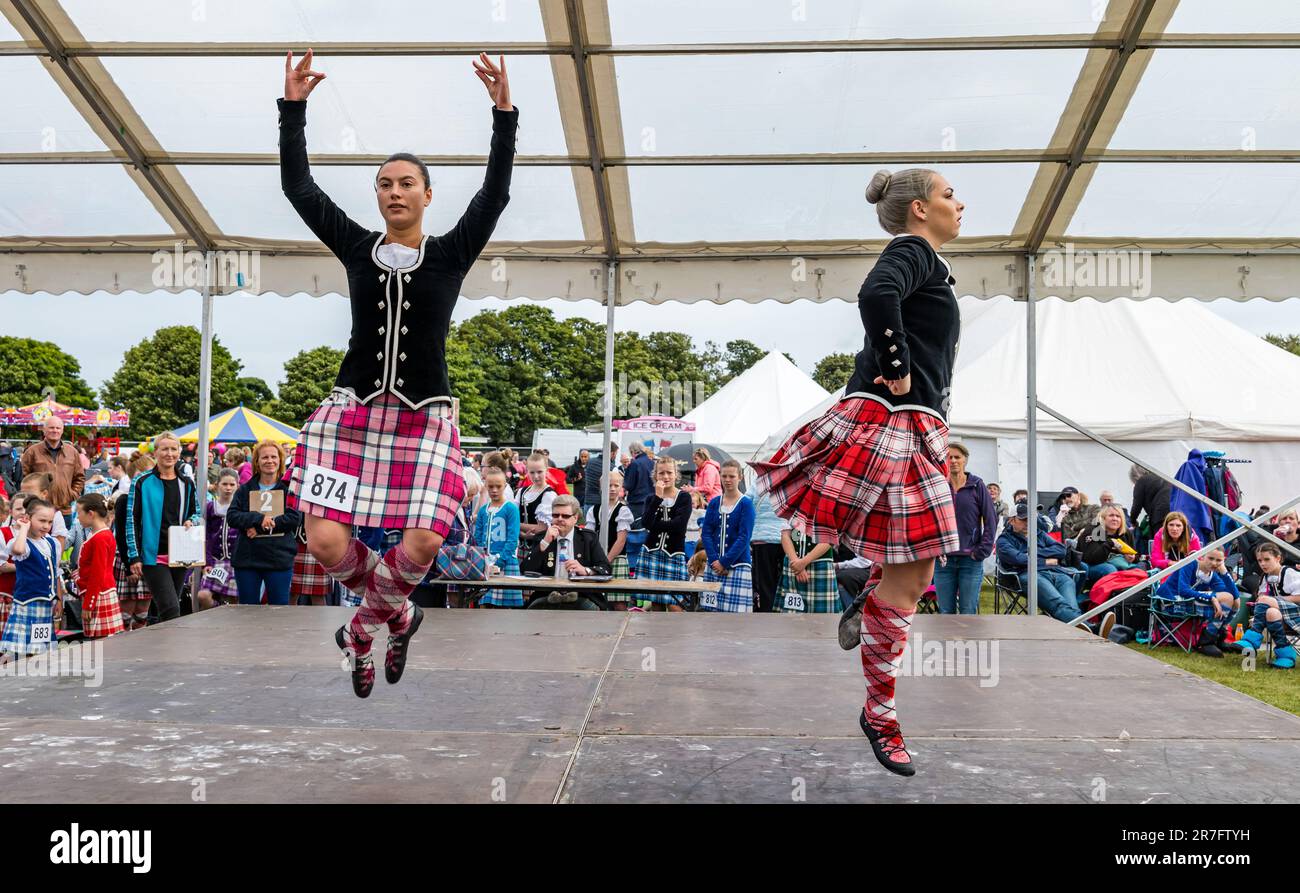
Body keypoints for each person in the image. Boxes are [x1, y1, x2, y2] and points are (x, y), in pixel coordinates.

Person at [278, 49, 517, 698]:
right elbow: (300, 189)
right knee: (325, 540)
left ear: (427, 194)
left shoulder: (450, 253)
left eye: (406, 182)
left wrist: (503, 115)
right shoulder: (357, 247)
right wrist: (293, 109)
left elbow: (495, 194)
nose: (394, 190)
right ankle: (398, 613)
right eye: (384, 182)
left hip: (423, 414)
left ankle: (360, 631)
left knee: (422, 543)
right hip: (352, 410)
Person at [751, 167, 965, 776]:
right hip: (894, 419)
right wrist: (896, 364)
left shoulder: (926, 261)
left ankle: (864, 583)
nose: (960, 203)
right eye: (949, 195)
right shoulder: (911, 250)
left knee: (914, 569)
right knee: (918, 567)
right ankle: (880, 708)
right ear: (920, 209)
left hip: (912, 423)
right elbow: (876, 296)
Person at [125, 433, 201, 623]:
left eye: (173, 449)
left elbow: (197, 512)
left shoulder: (186, 482)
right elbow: (131, 519)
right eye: (164, 449)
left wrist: (192, 520)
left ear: (179, 452)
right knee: (171, 609)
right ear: (156, 452)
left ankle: (162, 650)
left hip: (179, 555)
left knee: (168, 610)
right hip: (152, 557)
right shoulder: (142, 482)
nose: (169, 453)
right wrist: (134, 555)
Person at [227, 441, 301, 606]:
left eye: (274, 457)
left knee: (278, 610)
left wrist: (260, 527)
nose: (270, 461)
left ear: (281, 460)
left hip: (279, 558)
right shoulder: (244, 489)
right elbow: (232, 516)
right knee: (248, 610)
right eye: (265, 457)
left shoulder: (289, 489)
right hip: (248, 559)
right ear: (257, 462)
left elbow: (294, 518)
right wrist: (258, 518)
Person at [996, 502, 1086, 625]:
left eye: (1031, 519)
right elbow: (1019, 559)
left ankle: (1083, 629)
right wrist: (1045, 560)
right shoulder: (1004, 540)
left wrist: (1033, 554)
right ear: (1012, 520)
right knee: (1058, 603)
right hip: (1027, 575)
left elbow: (1061, 550)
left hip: (1057, 572)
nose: (1028, 522)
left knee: (1071, 606)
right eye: (1023, 519)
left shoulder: (1039, 533)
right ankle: (1092, 629)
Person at [933, 441, 996, 614]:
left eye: (957, 457)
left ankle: (969, 642)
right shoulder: (938, 486)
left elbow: (991, 520)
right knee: (945, 611)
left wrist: (982, 551)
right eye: (948, 457)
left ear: (965, 461)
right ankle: (947, 642)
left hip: (971, 559)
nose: (952, 460)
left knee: (968, 612)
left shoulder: (977, 486)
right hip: (943, 560)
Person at [1, 496, 63, 660]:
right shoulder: (23, 542)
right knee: (17, 651)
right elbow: (19, 550)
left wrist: (58, 598)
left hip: (46, 603)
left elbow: (54, 572)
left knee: (39, 651)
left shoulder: (50, 542)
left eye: (50, 522)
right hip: (27, 603)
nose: (46, 526)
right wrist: (23, 528)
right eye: (42, 520)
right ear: (27, 518)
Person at [521, 494, 610, 610]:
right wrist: (545, 543)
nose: (560, 519)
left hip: (582, 595)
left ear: (575, 518)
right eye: (556, 515)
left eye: (565, 516)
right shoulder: (542, 538)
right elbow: (525, 569)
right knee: (531, 613)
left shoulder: (588, 538)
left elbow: (606, 568)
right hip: (546, 595)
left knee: (592, 612)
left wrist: (586, 570)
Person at [1155, 546, 1240, 658]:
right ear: (1203, 556)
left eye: (1218, 560)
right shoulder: (1190, 563)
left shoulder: (1212, 575)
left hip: (1186, 602)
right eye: (1210, 558)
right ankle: (1206, 642)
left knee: (1235, 601)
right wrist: (1211, 597)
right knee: (1227, 599)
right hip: (1170, 603)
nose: (1214, 563)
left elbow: (1235, 595)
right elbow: (1183, 591)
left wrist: (1224, 571)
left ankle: (1219, 637)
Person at [699, 460, 755, 613]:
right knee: (710, 611)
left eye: (732, 476)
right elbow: (706, 533)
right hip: (714, 566)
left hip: (738, 565)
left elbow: (744, 537)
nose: (727, 480)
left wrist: (724, 562)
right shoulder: (714, 502)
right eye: (724, 476)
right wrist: (714, 560)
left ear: (740, 477)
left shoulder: (746, 504)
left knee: (736, 617)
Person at [639, 455, 692, 611]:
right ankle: (658, 635)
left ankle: (676, 635)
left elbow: (679, 526)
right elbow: (645, 523)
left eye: (669, 472)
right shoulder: (651, 498)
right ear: (655, 476)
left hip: (674, 553)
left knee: (675, 604)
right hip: (651, 553)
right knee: (656, 603)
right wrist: (658, 497)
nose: (666, 476)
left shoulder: (684, 497)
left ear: (676, 474)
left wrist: (655, 525)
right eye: (661, 473)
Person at [1236, 542, 1299, 668]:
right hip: (1282, 617)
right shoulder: (1265, 577)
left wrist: (1274, 600)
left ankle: (1252, 639)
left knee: (1265, 600)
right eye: (1259, 560)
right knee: (1271, 612)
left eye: (1266, 559)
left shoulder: (1289, 573)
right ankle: (1286, 654)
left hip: (1296, 615)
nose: (1262, 564)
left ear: (1278, 558)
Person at [74, 493, 124, 639]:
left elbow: (98, 573)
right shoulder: (101, 534)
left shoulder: (100, 538)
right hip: (100, 592)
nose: (77, 517)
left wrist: (89, 604)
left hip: (99, 594)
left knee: (101, 642)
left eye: (79, 513)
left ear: (91, 514)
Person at [474, 467, 523, 608]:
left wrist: (499, 562)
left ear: (505, 485)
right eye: (490, 486)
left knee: (506, 608)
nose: (494, 490)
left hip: (506, 562)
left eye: (498, 486)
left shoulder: (511, 508)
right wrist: (482, 558)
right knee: (484, 603)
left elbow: (513, 539)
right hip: (486, 563)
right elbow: (478, 536)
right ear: (485, 485)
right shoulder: (483, 510)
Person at [21, 417, 84, 525]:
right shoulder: (32, 452)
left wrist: (71, 494)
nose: (55, 430)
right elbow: (23, 477)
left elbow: (79, 477)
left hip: (64, 510)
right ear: (44, 430)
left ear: (62, 430)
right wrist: (34, 498)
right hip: (39, 510)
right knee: (38, 540)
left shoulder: (72, 452)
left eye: (58, 428)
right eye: (51, 428)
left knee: (63, 541)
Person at [585, 470, 634, 608]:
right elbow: (589, 536)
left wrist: (606, 561)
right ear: (601, 487)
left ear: (621, 488)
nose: (612, 489)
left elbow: (621, 540)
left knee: (618, 603)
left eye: (616, 485)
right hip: (597, 559)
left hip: (616, 558)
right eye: (608, 485)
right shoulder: (594, 510)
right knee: (597, 600)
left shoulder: (623, 510)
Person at [196, 468, 241, 609]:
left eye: (232, 485)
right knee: (203, 595)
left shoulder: (241, 507)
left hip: (236, 561)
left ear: (237, 486)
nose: (228, 488)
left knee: (235, 601)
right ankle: (218, 611)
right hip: (215, 561)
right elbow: (206, 537)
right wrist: (207, 562)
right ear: (217, 485)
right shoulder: (210, 507)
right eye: (225, 484)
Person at [776, 523, 837, 614]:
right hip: (793, 565)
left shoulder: (827, 510)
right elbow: (785, 535)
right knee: (790, 615)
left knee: (823, 617)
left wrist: (802, 563)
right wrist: (796, 562)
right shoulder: (793, 509)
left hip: (819, 566)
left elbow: (830, 539)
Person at [1077, 504, 1140, 586]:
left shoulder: (1125, 533)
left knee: (1139, 569)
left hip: (1119, 563)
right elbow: (1091, 558)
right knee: (1109, 569)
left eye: (1118, 516)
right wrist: (1110, 543)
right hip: (1090, 565)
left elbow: (1136, 555)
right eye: (1111, 515)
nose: (1115, 519)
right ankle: (1113, 596)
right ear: (1103, 518)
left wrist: (1133, 558)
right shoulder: (1094, 530)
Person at [748, 492, 787, 613]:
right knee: (785, 581)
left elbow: (747, 505)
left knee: (765, 583)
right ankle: (783, 610)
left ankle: (767, 613)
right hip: (786, 538)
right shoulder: (789, 482)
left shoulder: (757, 484)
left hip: (762, 539)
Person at [516, 452, 556, 548]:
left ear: (546, 470)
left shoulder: (549, 495)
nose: (536, 476)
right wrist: (521, 534)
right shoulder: (521, 491)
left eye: (539, 472)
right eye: (532, 472)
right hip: (520, 547)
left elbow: (542, 528)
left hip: (539, 548)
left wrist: (515, 524)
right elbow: (512, 516)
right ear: (527, 471)